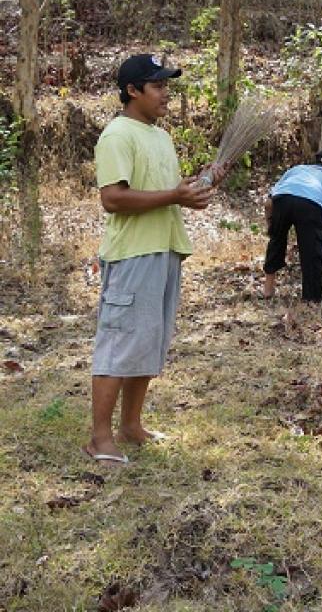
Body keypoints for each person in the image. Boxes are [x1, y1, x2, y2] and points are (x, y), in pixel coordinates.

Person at [86, 54, 217, 465]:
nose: (166, 95)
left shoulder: (159, 137)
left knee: (146, 343)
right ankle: (99, 438)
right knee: (119, 345)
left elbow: (163, 195)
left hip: (163, 250)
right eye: (158, 86)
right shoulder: (117, 135)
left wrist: (192, 191)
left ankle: (131, 426)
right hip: (132, 257)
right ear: (132, 91)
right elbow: (114, 199)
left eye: (167, 86)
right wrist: (176, 196)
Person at [261, 148, 322, 302]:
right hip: (310, 205)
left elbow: (269, 203)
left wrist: (271, 225)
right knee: (311, 252)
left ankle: (268, 290)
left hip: (282, 200)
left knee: (276, 242)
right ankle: (311, 299)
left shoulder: (296, 170)